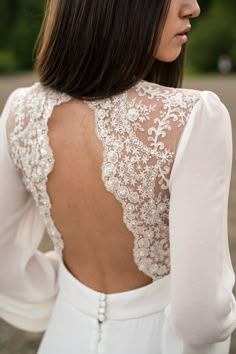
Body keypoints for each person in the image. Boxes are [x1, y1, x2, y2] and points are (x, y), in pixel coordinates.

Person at [0, 0, 236, 353]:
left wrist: (71, 294)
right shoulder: (192, 117)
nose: (194, 7)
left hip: (64, 336)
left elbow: (4, 262)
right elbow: (200, 318)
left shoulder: (20, 111)